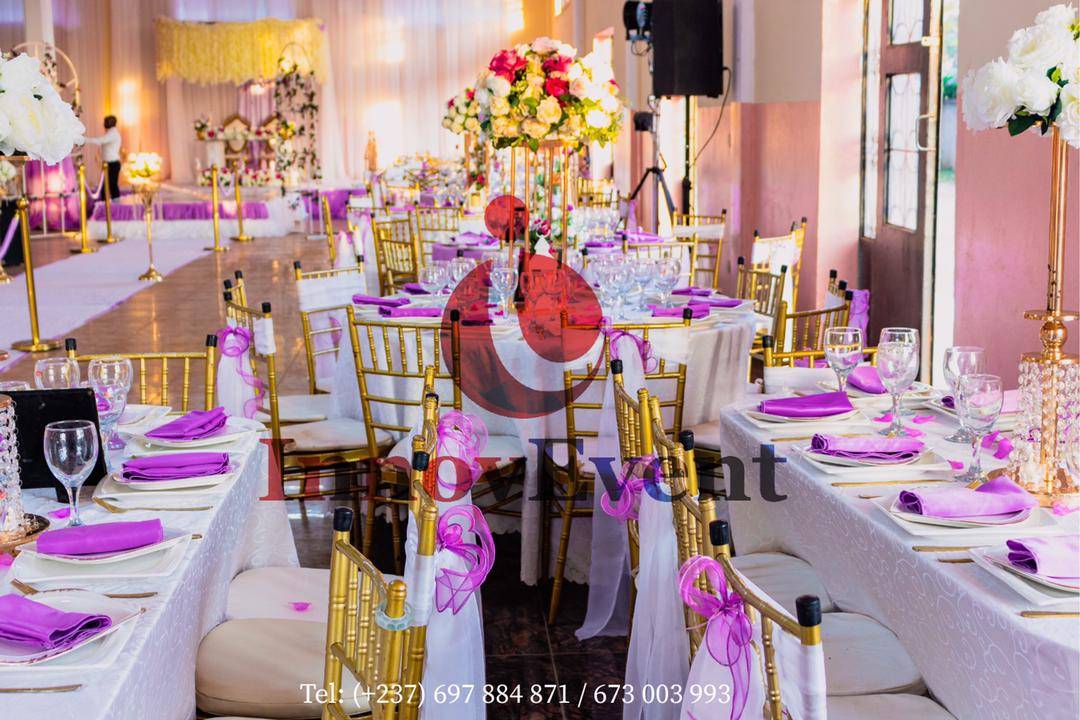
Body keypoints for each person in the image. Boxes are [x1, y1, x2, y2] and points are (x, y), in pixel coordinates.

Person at [84, 115, 121, 199]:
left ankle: (110, 204)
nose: (104, 124)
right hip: (110, 164)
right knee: (109, 186)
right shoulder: (112, 133)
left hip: (112, 164)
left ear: (110, 123)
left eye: (105, 122)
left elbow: (100, 141)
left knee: (110, 186)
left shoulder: (112, 133)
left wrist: (84, 140)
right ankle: (110, 203)